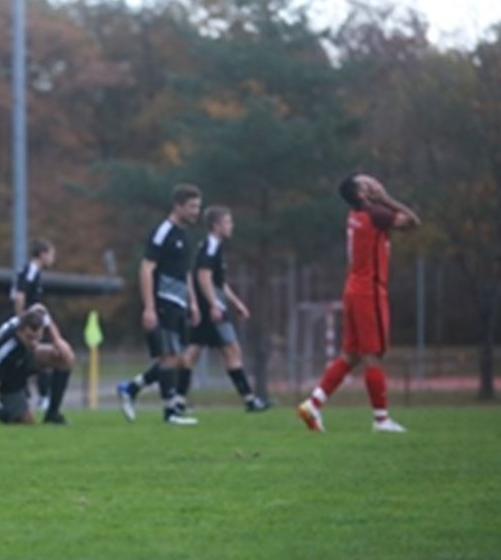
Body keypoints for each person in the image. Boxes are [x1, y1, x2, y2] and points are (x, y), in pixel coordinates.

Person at [298, 173, 421, 433]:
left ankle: (313, 404)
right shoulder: (377, 214)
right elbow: (413, 222)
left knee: (350, 355)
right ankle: (381, 419)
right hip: (370, 291)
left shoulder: (355, 214)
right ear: (361, 193)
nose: (375, 183)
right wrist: (387, 198)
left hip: (353, 289)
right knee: (373, 355)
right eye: (368, 182)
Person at [116, 183, 203, 425]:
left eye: (198, 207)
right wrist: (149, 307)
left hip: (180, 303)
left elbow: (185, 273)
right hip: (164, 301)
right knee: (169, 357)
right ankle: (170, 412)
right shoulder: (163, 231)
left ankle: (131, 388)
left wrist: (193, 303)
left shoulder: (185, 235)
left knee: (179, 359)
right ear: (178, 206)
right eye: (192, 207)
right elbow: (146, 268)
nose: (196, 212)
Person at [180, 206, 270, 412]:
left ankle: (177, 399)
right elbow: (203, 277)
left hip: (209, 306)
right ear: (216, 226)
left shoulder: (214, 246)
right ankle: (249, 400)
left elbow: (218, 282)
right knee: (231, 350)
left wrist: (236, 302)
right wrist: (214, 304)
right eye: (227, 222)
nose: (231, 226)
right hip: (211, 309)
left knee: (193, 352)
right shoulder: (211, 246)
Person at [0, 304, 75, 427]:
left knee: (65, 357)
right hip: (8, 375)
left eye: (37, 338)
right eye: (30, 338)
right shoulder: (4, 351)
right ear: (19, 331)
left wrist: (57, 340)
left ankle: (53, 414)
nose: (34, 343)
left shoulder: (32, 319)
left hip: (26, 358)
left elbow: (41, 308)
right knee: (26, 423)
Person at [11, 238, 62, 414]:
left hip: (34, 323)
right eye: (51, 254)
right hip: (30, 325)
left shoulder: (34, 272)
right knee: (38, 358)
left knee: (31, 358)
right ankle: (42, 396)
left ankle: (35, 394)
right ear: (42, 254)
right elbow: (20, 296)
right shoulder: (31, 270)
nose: (53, 259)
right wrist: (21, 321)